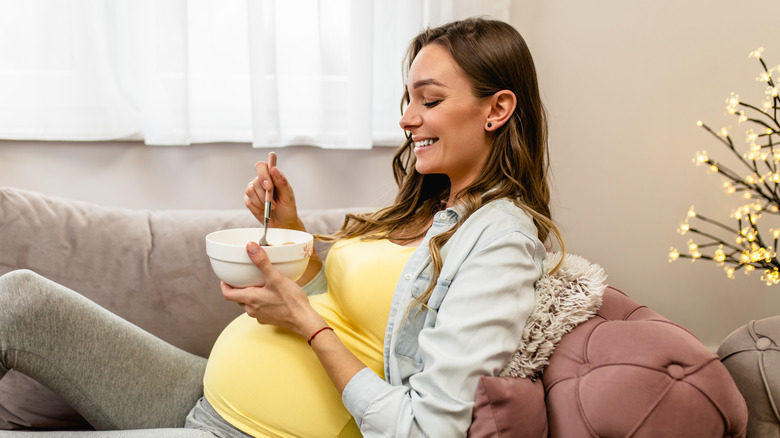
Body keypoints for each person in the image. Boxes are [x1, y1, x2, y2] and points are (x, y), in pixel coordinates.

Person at [0, 17, 563, 438]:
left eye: (429, 100)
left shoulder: (501, 244)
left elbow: (425, 429)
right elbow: (355, 304)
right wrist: (291, 229)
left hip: (256, 431)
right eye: (407, 99)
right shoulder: (427, 205)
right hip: (204, 392)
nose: (406, 118)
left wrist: (302, 320)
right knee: (19, 299)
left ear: (498, 109)